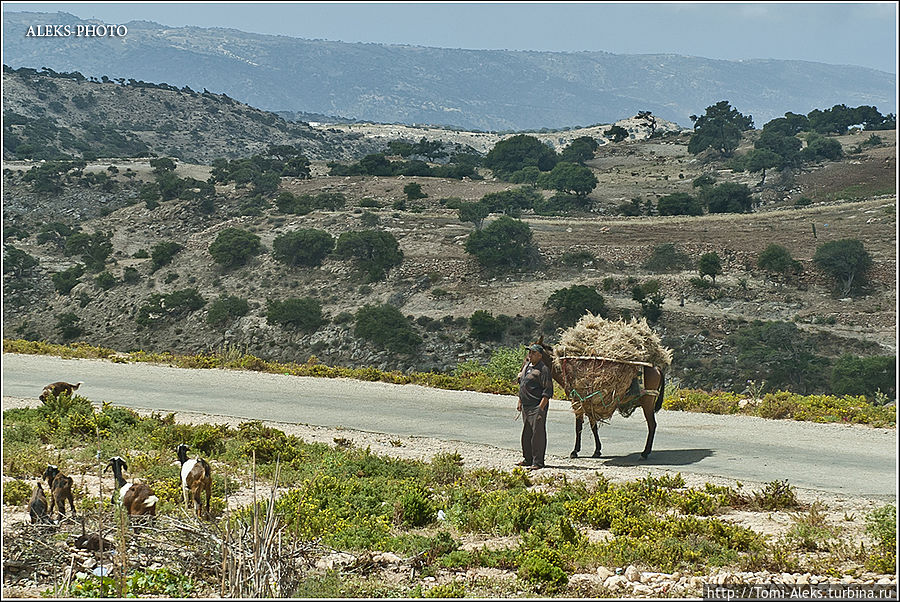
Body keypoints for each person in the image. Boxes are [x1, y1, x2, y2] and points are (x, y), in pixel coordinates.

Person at [516, 343, 553, 470]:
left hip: (537, 406)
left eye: (533, 353)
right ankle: (528, 459)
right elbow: (523, 385)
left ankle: (538, 462)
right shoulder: (527, 366)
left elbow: (548, 391)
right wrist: (520, 401)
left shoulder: (543, 370)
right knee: (526, 433)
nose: (530, 355)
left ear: (539, 355)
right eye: (529, 352)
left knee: (538, 434)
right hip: (526, 406)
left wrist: (541, 408)